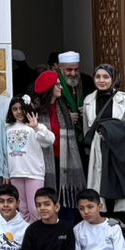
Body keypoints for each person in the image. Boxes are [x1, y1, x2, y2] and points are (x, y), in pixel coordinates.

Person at [82, 65, 125, 216]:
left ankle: (123, 220)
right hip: (99, 148)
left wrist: (111, 130)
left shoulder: (123, 99)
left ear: (113, 78)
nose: (101, 80)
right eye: (98, 77)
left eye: (106, 77)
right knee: (100, 188)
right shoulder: (89, 100)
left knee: (122, 189)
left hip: (120, 150)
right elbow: (86, 128)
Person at [31, 67, 85, 198]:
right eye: (57, 84)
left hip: (64, 159)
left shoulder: (63, 106)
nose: (61, 87)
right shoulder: (36, 109)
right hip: (44, 160)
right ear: (49, 88)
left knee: (65, 194)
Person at [3, 97, 55, 221]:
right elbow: (4, 152)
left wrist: (36, 127)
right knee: (23, 210)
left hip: (34, 173)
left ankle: (38, 236)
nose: (18, 111)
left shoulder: (36, 126)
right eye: (15, 109)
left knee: (35, 209)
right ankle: (28, 237)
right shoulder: (7, 128)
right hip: (16, 173)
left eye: (21, 108)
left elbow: (50, 140)